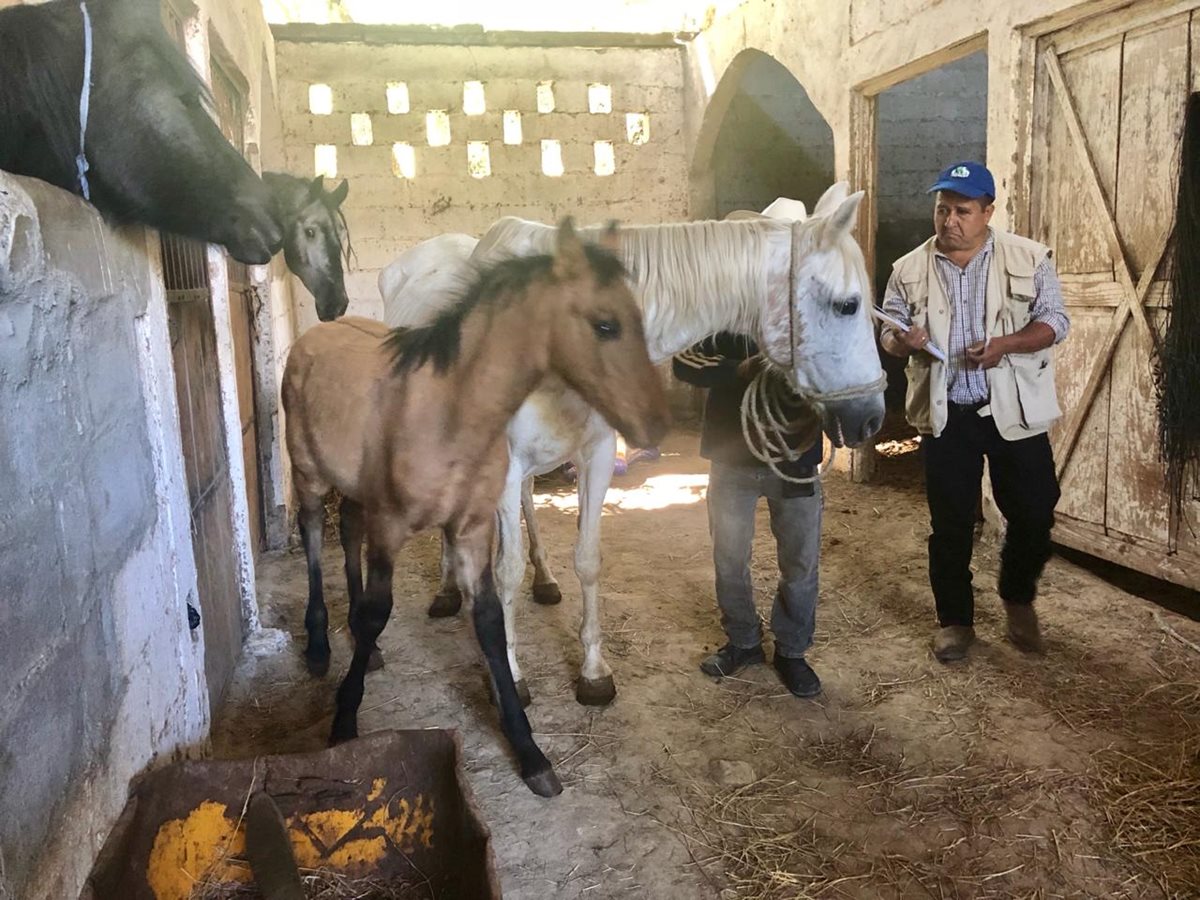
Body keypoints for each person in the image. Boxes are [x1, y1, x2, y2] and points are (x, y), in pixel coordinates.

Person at [879, 161, 1070, 663]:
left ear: (988, 212)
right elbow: (888, 334)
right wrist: (901, 341)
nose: (949, 221)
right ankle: (955, 621)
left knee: (1035, 512)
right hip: (947, 415)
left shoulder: (1030, 258)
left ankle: (1017, 597)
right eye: (942, 209)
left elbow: (1055, 320)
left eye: (962, 211)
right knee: (950, 524)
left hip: (1012, 408)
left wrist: (1006, 344)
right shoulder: (907, 269)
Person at [673, 334, 823, 697]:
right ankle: (743, 641)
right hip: (732, 457)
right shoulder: (722, 314)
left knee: (800, 562)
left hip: (795, 458)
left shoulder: (807, 312)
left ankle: (791, 651)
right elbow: (684, 362)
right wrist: (739, 369)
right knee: (729, 558)